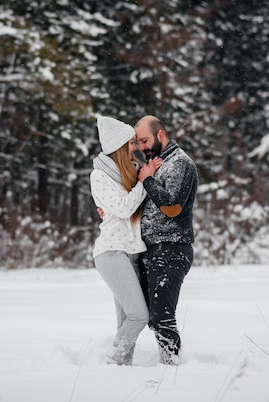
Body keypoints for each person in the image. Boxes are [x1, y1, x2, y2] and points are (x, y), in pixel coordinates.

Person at [90, 116, 160, 366]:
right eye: (131, 143)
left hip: (130, 253)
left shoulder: (126, 173)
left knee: (126, 320)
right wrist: (143, 182)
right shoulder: (99, 176)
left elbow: (133, 206)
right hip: (111, 253)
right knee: (138, 316)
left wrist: (147, 178)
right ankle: (113, 360)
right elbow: (122, 208)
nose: (136, 148)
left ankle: (120, 370)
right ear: (119, 146)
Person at [134, 115, 198, 365]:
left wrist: (147, 180)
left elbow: (172, 207)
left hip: (171, 248)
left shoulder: (180, 163)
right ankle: (166, 364)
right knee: (149, 316)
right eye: (138, 142)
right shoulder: (155, 163)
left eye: (144, 140)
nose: (141, 147)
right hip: (149, 250)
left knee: (162, 316)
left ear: (160, 135)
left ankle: (171, 369)